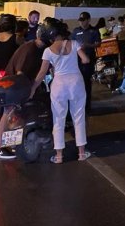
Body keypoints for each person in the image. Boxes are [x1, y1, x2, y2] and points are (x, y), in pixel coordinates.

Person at [30, 19, 91, 164]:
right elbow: (86, 60)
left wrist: (33, 88)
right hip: (76, 83)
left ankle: (59, 156)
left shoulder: (47, 51)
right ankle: (82, 153)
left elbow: (41, 73)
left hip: (59, 85)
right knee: (79, 117)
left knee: (58, 119)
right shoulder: (74, 44)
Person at [0, 19, 53, 159]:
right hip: (13, 86)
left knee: (17, 112)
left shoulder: (38, 48)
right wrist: (28, 91)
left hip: (17, 85)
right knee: (9, 112)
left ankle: (15, 142)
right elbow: (20, 74)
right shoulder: (31, 50)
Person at [72, 11, 101, 112]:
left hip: (89, 60)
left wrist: (87, 45)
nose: (81, 22)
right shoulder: (76, 31)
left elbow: (98, 44)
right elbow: (71, 43)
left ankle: (87, 106)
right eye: (80, 20)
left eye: (83, 20)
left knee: (86, 82)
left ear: (88, 20)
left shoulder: (94, 31)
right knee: (76, 82)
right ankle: (77, 104)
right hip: (77, 60)